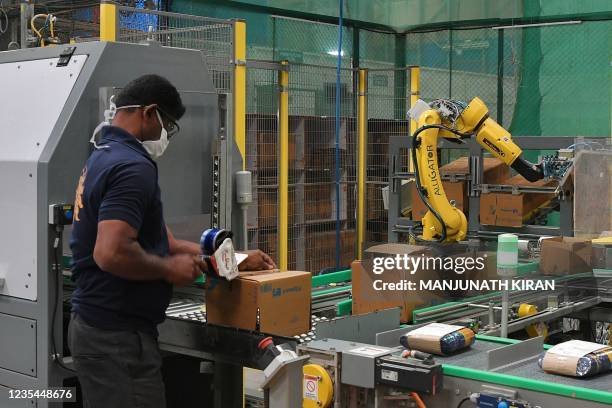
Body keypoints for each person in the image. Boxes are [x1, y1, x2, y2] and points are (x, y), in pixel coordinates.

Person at [68, 74, 275, 408]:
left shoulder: (103, 156)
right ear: (149, 113)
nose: (167, 136)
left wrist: (233, 259)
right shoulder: (132, 167)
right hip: (117, 338)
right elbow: (110, 253)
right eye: (168, 125)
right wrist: (167, 268)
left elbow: (167, 243)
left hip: (104, 330)